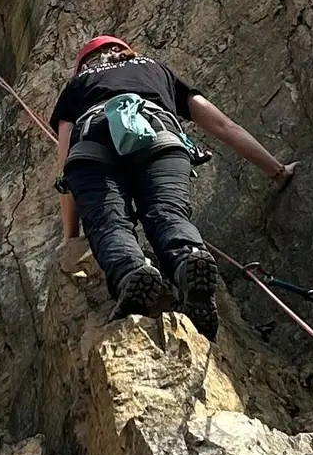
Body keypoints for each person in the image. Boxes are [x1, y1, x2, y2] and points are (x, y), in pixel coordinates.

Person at [50, 35, 295, 338]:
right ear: (127, 52)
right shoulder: (156, 69)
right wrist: (277, 170)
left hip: (94, 143)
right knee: (167, 213)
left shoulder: (77, 85)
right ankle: (188, 258)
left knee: (109, 223)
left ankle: (132, 273)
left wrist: (70, 237)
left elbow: (66, 164)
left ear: (84, 64)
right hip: (159, 135)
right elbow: (224, 126)